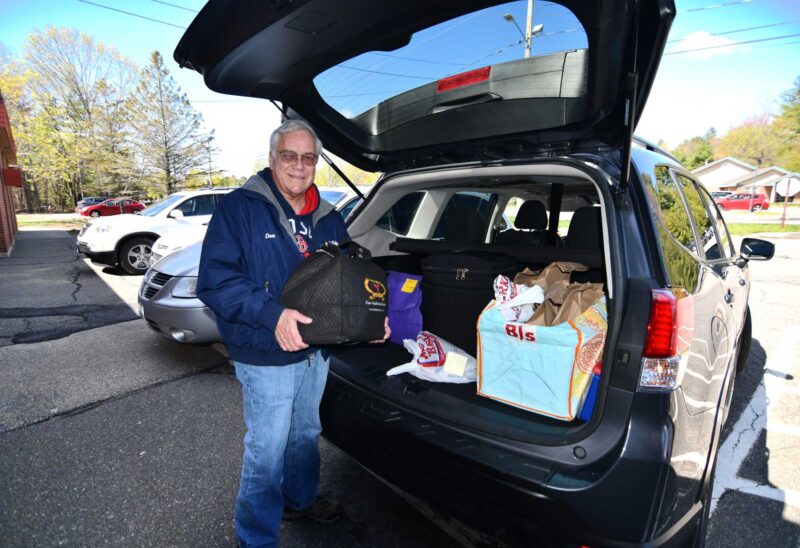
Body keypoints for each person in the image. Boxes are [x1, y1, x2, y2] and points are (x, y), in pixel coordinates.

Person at [196, 119, 389, 547]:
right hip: (265, 352)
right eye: (289, 155)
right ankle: (256, 538)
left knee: (305, 434)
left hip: (314, 351)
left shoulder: (328, 216)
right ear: (271, 159)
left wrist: (368, 320)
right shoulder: (239, 209)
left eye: (308, 158)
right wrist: (271, 316)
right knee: (267, 450)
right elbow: (215, 280)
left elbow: (345, 282)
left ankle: (299, 501)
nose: (299, 166)